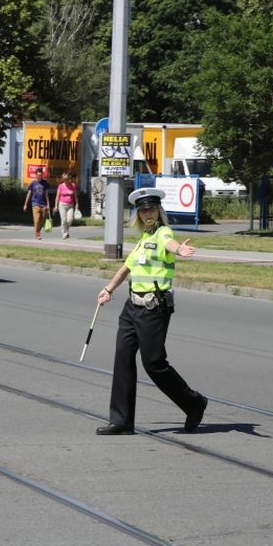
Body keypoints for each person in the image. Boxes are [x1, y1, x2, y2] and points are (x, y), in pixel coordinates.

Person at [94, 187, 208, 436]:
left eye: (152, 208)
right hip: (131, 307)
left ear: (158, 210)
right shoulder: (144, 238)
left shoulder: (162, 233)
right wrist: (108, 290)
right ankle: (121, 421)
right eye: (143, 209)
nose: (148, 213)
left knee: (154, 363)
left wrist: (180, 250)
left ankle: (194, 402)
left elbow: (171, 243)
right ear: (138, 214)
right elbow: (126, 268)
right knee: (123, 358)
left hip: (153, 307)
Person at [23, 168, 51, 239]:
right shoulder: (33, 183)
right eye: (38, 175)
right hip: (35, 203)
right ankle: (37, 234)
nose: (39, 176)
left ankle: (38, 230)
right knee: (37, 219)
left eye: (41, 175)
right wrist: (25, 204)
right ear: (36, 175)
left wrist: (48, 204)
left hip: (43, 204)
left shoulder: (45, 183)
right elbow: (29, 193)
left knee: (43, 219)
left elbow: (46, 194)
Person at [53, 171, 79, 239]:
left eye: (67, 180)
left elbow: (75, 196)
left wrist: (77, 204)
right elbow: (57, 196)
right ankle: (64, 234)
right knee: (64, 220)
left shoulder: (73, 185)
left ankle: (66, 231)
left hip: (70, 205)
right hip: (62, 205)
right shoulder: (61, 186)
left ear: (69, 179)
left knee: (70, 220)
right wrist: (56, 206)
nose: (66, 181)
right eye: (64, 180)